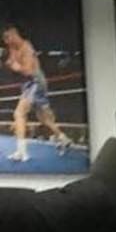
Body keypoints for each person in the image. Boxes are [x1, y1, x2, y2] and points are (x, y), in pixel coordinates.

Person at [3, 25, 72, 163]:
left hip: (35, 81)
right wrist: (10, 64)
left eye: (8, 37)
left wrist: (16, 67)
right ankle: (64, 138)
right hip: (28, 84)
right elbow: (11, 62)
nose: (6, 41)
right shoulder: (12, 48)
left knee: (19, 113)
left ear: (14, 34)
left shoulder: (27, 48)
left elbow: (28, 71)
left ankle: (22, 152)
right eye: (5, 39)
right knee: (44, 119)